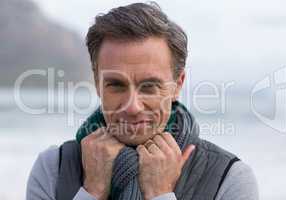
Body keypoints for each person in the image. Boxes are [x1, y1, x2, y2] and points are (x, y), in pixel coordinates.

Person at [26, 2, 259, 200]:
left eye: (149, 87)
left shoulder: (230, 179)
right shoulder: (52, 169)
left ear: (177, 85)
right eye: (116, 85)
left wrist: (161, 194)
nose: (133, 107)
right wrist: (92, 190)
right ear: (98, 84)